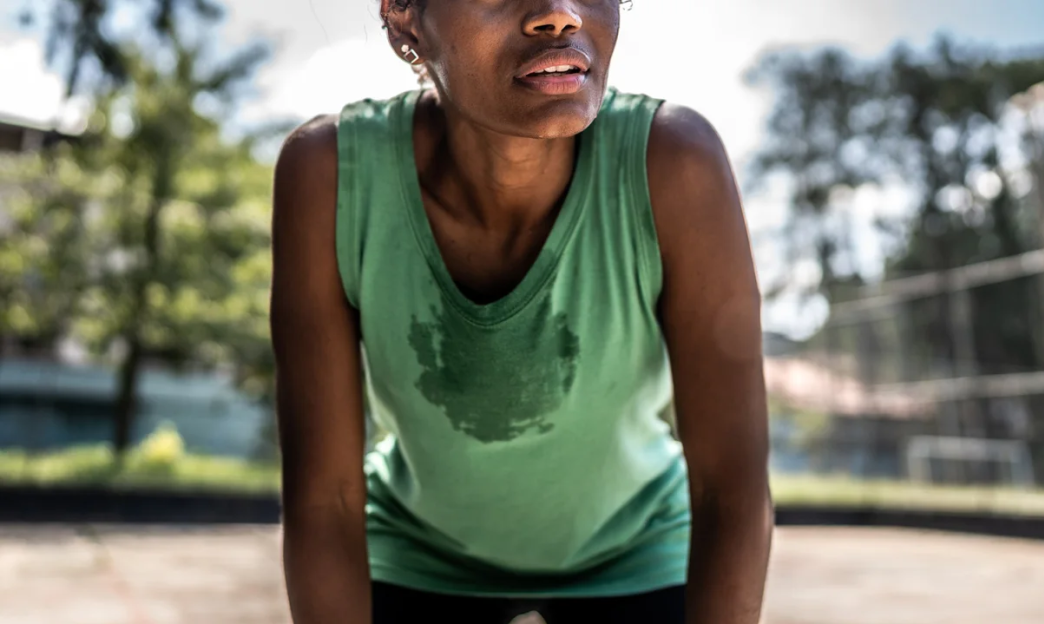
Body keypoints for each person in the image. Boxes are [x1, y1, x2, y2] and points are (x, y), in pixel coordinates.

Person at [269, 0, 773, 622]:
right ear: (405, 22)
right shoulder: (330, 175)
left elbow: (732, 489)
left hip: (635, 550)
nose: (558, 14)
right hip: (416, 551)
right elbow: (327, 501)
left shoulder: (673, 162)